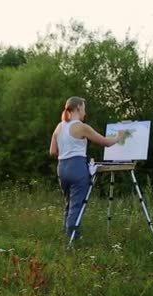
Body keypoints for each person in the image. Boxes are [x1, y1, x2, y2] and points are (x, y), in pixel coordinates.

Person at [49, 96, 123, 241]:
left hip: (62, 167)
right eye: (84, 108)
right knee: (77, 205)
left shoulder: (59, 126)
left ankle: (66, 235)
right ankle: (73, 240)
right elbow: (106, 143)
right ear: (78, 108)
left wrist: (66, 151)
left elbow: (52, 151)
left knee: (69, 203)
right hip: (77, 167)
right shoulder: (81, 127)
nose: (85, 112)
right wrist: (118, 137)